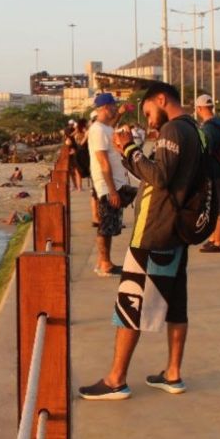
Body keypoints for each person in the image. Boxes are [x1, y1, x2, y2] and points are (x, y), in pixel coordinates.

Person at [78, 82, 201, 400]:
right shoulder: (193, 129)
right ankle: (173, 373)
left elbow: (159, 177)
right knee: (176, 305)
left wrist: (130, 150)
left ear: (161, 100)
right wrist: (132, 156)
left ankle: (116, 379)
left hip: (155, 229)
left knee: (130, 303)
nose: (148, 119)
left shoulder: (173, 131)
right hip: (177, 229)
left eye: (148, 111)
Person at [86, 92, 132, 275]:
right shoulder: (97, 130)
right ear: (105, 107)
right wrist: (112, 190)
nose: (115, 108)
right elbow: (103, 162)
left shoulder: (105, 128)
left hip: (115, 184)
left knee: (110, 225)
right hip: (108, 186)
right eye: (113, 106)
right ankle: (105, 263)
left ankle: (104, 262)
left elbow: (111, 128)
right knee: (106, 226)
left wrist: (120, 114)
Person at [197, 95, 220, 254]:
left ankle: (218, 241)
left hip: (215, 171)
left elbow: (206, 150)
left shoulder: (209, 127)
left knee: (217, 208)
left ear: (199, 109)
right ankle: (214, 238)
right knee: (217, 206)